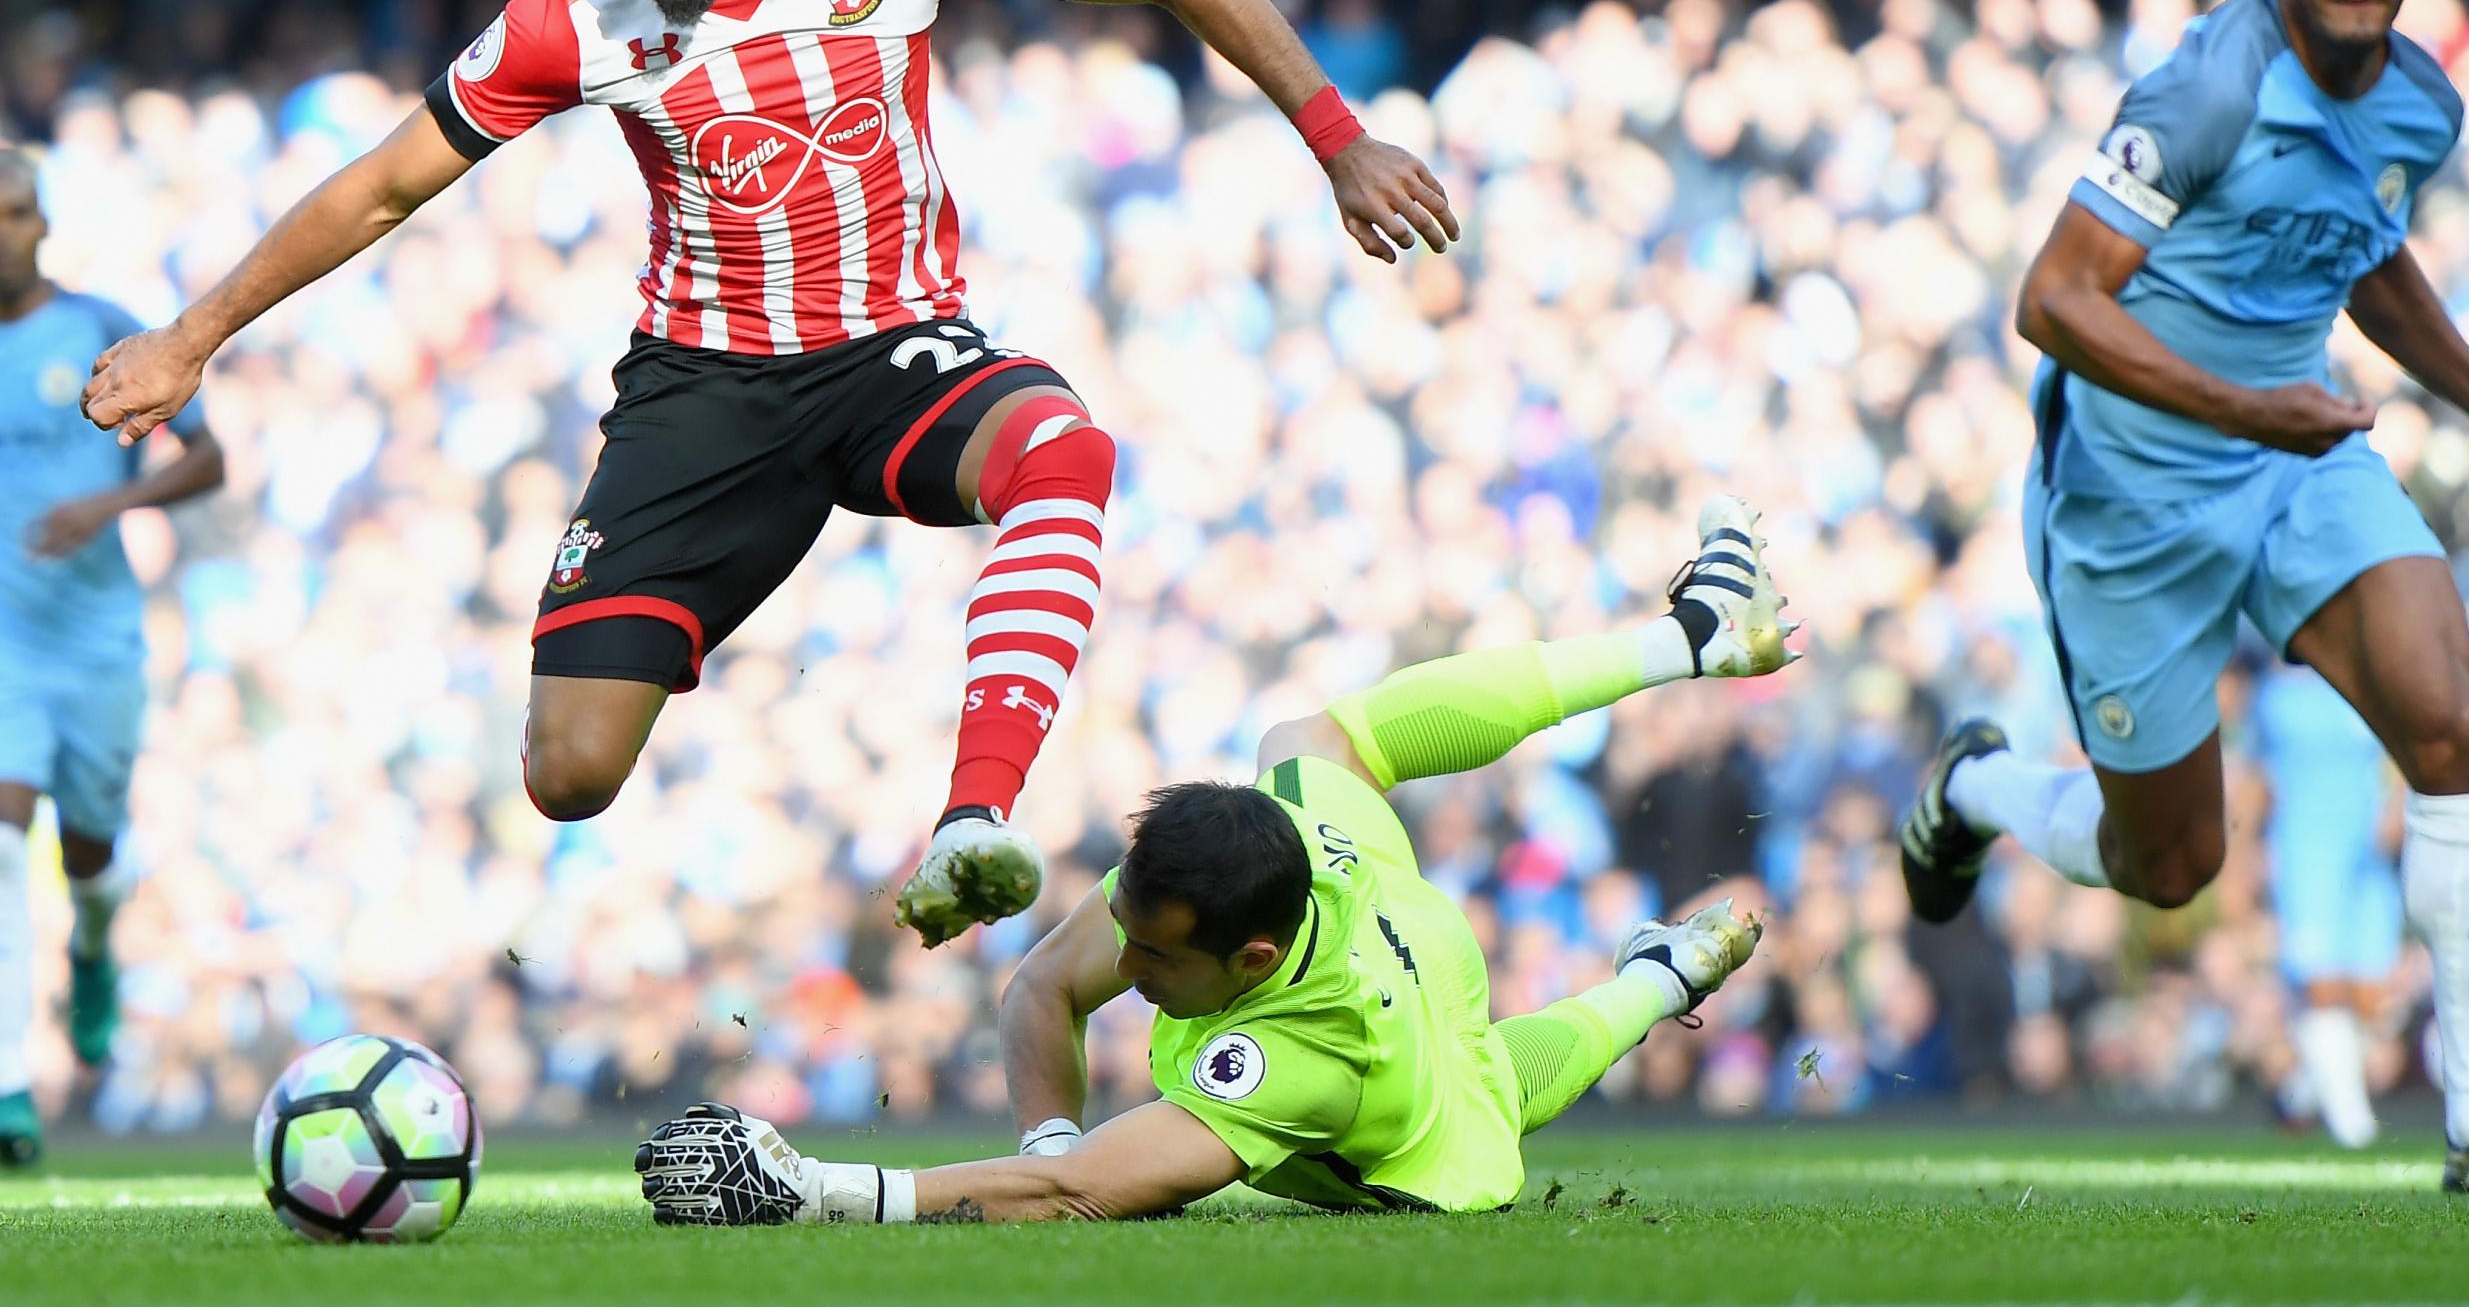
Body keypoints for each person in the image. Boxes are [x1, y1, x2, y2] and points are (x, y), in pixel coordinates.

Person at [77, 0, 1457, 950]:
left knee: (1063, 453)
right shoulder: (575, 5)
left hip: (891, 351)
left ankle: (973, 817)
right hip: (706, 392)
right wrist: (196, 335)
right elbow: (386, 180)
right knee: (567, 772)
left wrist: (1338, 141)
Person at [632, 495, 1795, 1226]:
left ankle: (1664, 972)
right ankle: (1685, 649)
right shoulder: (1261, 841)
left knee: (1493, 1086)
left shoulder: (1302, 1060)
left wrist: (824, 1190)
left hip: (1414, 1090)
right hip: (1393, 908)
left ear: (1245, 955)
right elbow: (1041, 986)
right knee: (1309, 736)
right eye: (1128, 924)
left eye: (1150, 953)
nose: (1118, 961)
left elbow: (1083, 1189)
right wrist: (1053, 1134)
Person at [1898, 0, 2469, 1193]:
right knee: (2168, 864)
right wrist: (2247, 411)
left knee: (2458, 725)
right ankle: (1978, 788)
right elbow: (2052, 299)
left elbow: (2364, 255)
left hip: (2302, 451)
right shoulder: (2211, 86)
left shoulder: (2424, 107)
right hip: (2134, 491)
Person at [0, 149, 224, 1165]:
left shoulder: (99, 331)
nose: (3, 232)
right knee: (3, 841)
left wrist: (111, 500)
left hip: (94, 645)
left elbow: (209, 458)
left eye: (14, 213)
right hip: (5, 647)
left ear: (41, 223)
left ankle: (93, 945)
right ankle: (10, 1084)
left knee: (85, 848)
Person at [2250, 665, 2400, 1149]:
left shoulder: (2369, 685)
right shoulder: (2274, 697)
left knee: (2373, 997)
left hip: (2368, 853)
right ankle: (2352, 1123)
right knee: (2323, 984)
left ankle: (2299, 1094)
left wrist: (2398, 807)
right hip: (2306, 852)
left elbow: (2397, 758)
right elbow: (2257, 778)